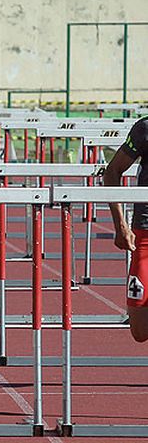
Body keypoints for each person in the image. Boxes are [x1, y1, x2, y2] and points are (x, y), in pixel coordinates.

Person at [104, 116, 148, 342]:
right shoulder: (145, 128)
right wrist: (120, 224)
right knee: (139, 331)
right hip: (145, 234)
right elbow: (111, 172)